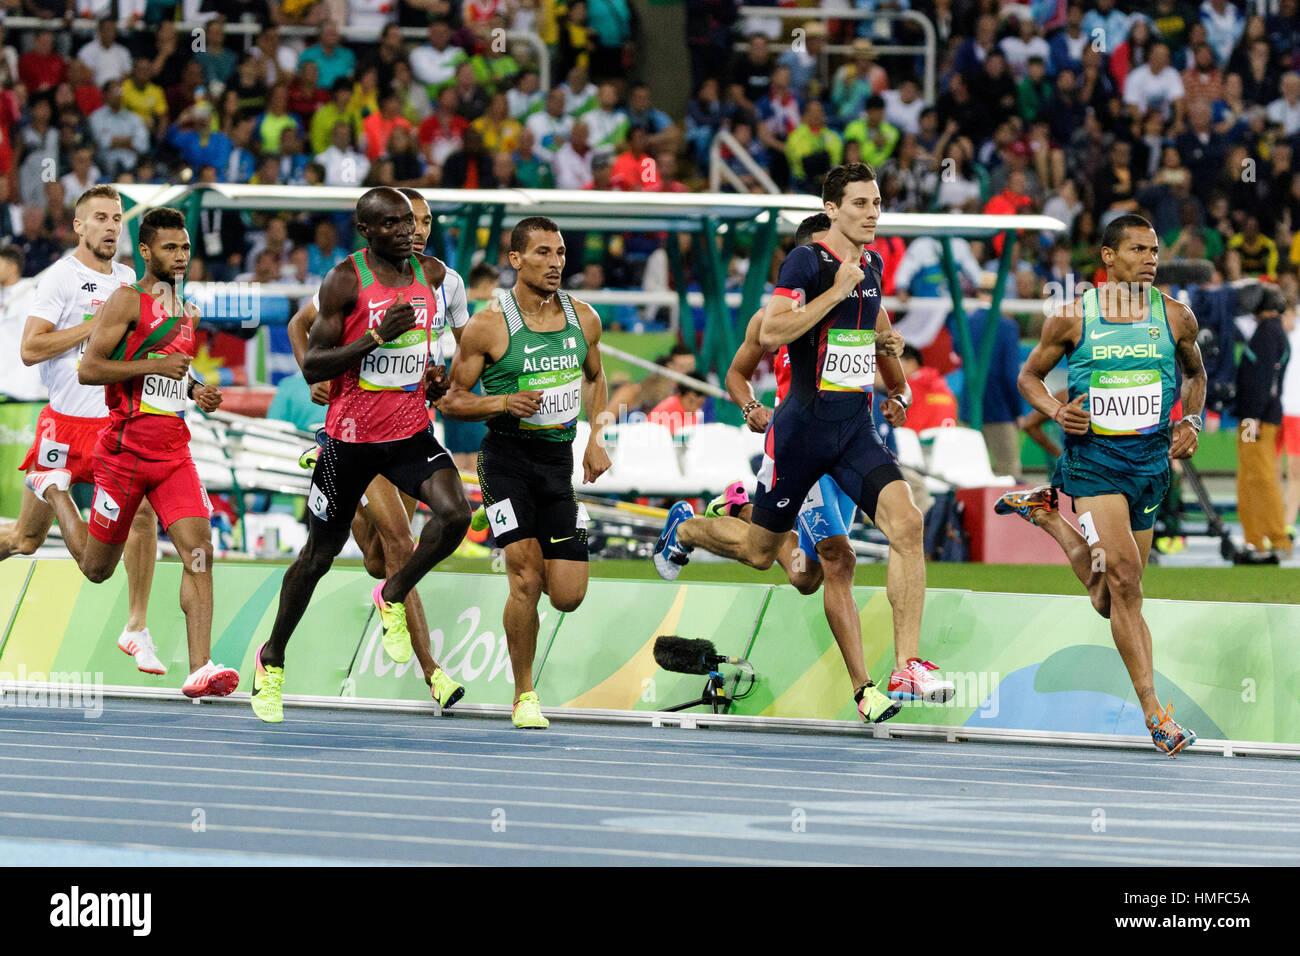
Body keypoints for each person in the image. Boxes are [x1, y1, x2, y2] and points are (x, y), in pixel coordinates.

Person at [654, 164, 955, 716]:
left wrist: (900, 385)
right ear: (832, 209)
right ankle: (693, 526)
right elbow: (771, 332)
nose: (871, 213)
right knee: (763, 554)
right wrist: (834, 292)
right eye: (860, 204)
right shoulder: (806, 262)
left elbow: (873, 325)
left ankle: (907, 666)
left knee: (906, 523)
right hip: (801, 434)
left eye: (877, 203)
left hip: (855, 429)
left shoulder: (874, 265)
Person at [254, 187, 472, 724]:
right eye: (394, 224)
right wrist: (375, 335)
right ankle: (272, 658)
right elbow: (315, 365)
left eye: (412, 222)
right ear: (367, 230)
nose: (408, 231)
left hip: (407, 432)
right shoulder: (346, 280)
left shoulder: (435, 276)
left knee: (456, 515)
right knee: (317, 558)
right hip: (349, 439)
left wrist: (434, 377)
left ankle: (391, 594)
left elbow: (426, 347)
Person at [998, 214, 1208, 756]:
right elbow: (1029, 376)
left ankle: (1047, 518)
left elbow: (1196, 375)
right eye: (1138, 249)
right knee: (1124, 579)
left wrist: (1191, 421)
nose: (1151, 259)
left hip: (1150, 467)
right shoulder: (1071, 319)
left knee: (1109, 597)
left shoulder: (1177, 317)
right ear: (1108, 258)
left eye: (1155, 250)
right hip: (1094, 463)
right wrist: (1056, 409)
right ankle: (1155, 715)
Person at [703, 211, 913, 723]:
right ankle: (865, 689)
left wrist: (900, 391)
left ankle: (745, 509)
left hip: (849, 441)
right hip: (798, 445)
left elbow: (884, 350)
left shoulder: (861, 301)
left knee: (805, 576)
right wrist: (751, 408)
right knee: (839, 560)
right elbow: (735, 374)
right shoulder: (779, 313)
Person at [25, 207, 239, 698]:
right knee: (97, 569)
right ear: (145, 252)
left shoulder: (188, 313)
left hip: (172, 453)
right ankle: (55, 489)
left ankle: (200, 668)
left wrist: (197, 390)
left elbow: (175, 372)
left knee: (199, 552)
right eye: (170, 248)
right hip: (122, 453)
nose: (181, 256)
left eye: (185, 247)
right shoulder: (124, 301)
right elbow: (90, 369)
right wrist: (154, 364)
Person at [443, 216, 612, 729]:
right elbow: (451, 400)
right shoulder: (488, 326)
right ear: (515, 260)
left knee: (568, 594)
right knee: (526, 577)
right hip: (507, 461)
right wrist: (502, 402)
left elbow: (596, 377)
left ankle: (493, 524)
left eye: (560, 252)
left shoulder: (584, 318)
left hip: (557, 464)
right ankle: (524, 694)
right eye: (542, 253)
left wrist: (598, 436)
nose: (556, 262)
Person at [0, 185, 163, 675]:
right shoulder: (57, 279)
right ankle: (54, 488)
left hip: (113, 425)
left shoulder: (130, 278)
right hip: (63, 428)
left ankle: (137, 626)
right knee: (25, 540)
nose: (112, 226)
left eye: (117, 218)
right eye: (100, 218)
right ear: (78, 226)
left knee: (142, 519)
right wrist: (91, 329)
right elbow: (31, 349)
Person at [1233, 285, 1292, 557]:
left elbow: (1262, 380)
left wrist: (1254, 416)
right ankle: (1255, 539)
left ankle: (1277, 539)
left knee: (1261, 476)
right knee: (1250, 476)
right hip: (1254, 418)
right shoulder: (1272, 331)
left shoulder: (1268, 333)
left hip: (1254, 420)